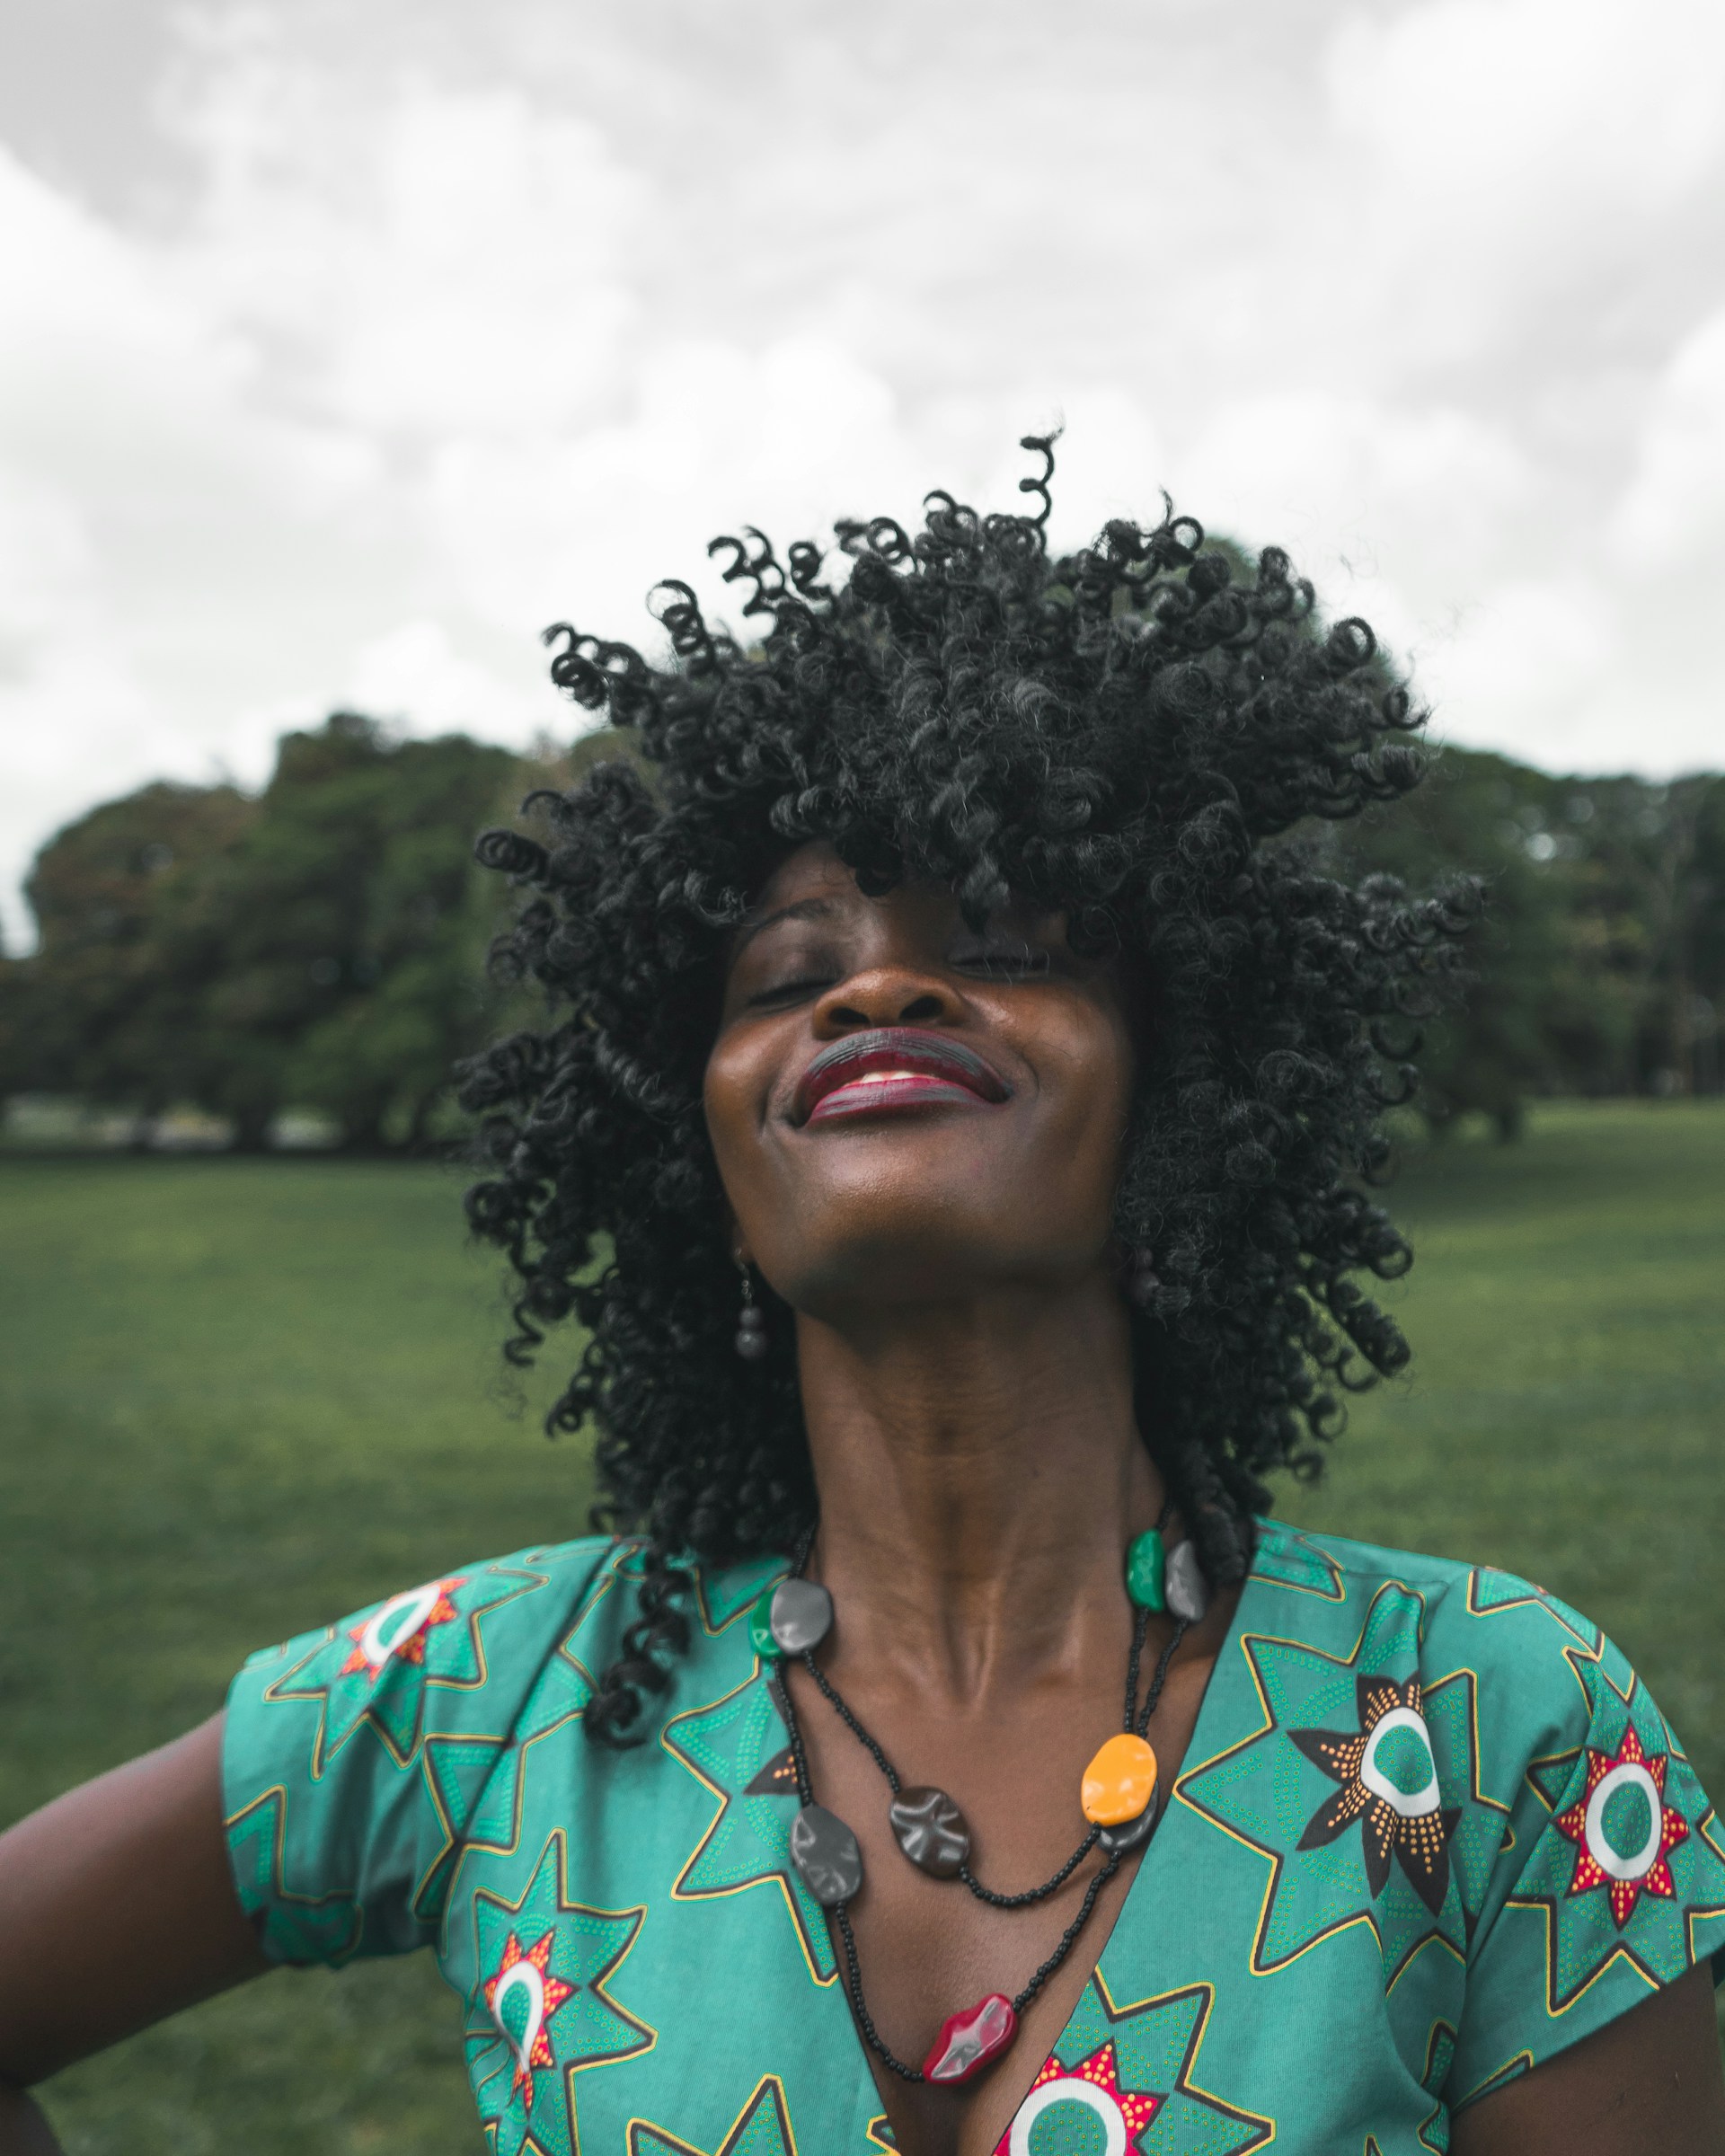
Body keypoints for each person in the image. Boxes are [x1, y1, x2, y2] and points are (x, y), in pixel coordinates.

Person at [2, 445, 1722, 2156]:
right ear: (696, 1156)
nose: (884, 985)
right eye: (787, 973)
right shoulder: (488, 1692)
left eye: (1006, 945)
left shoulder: (1492, 1719)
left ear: (1184, 1090)